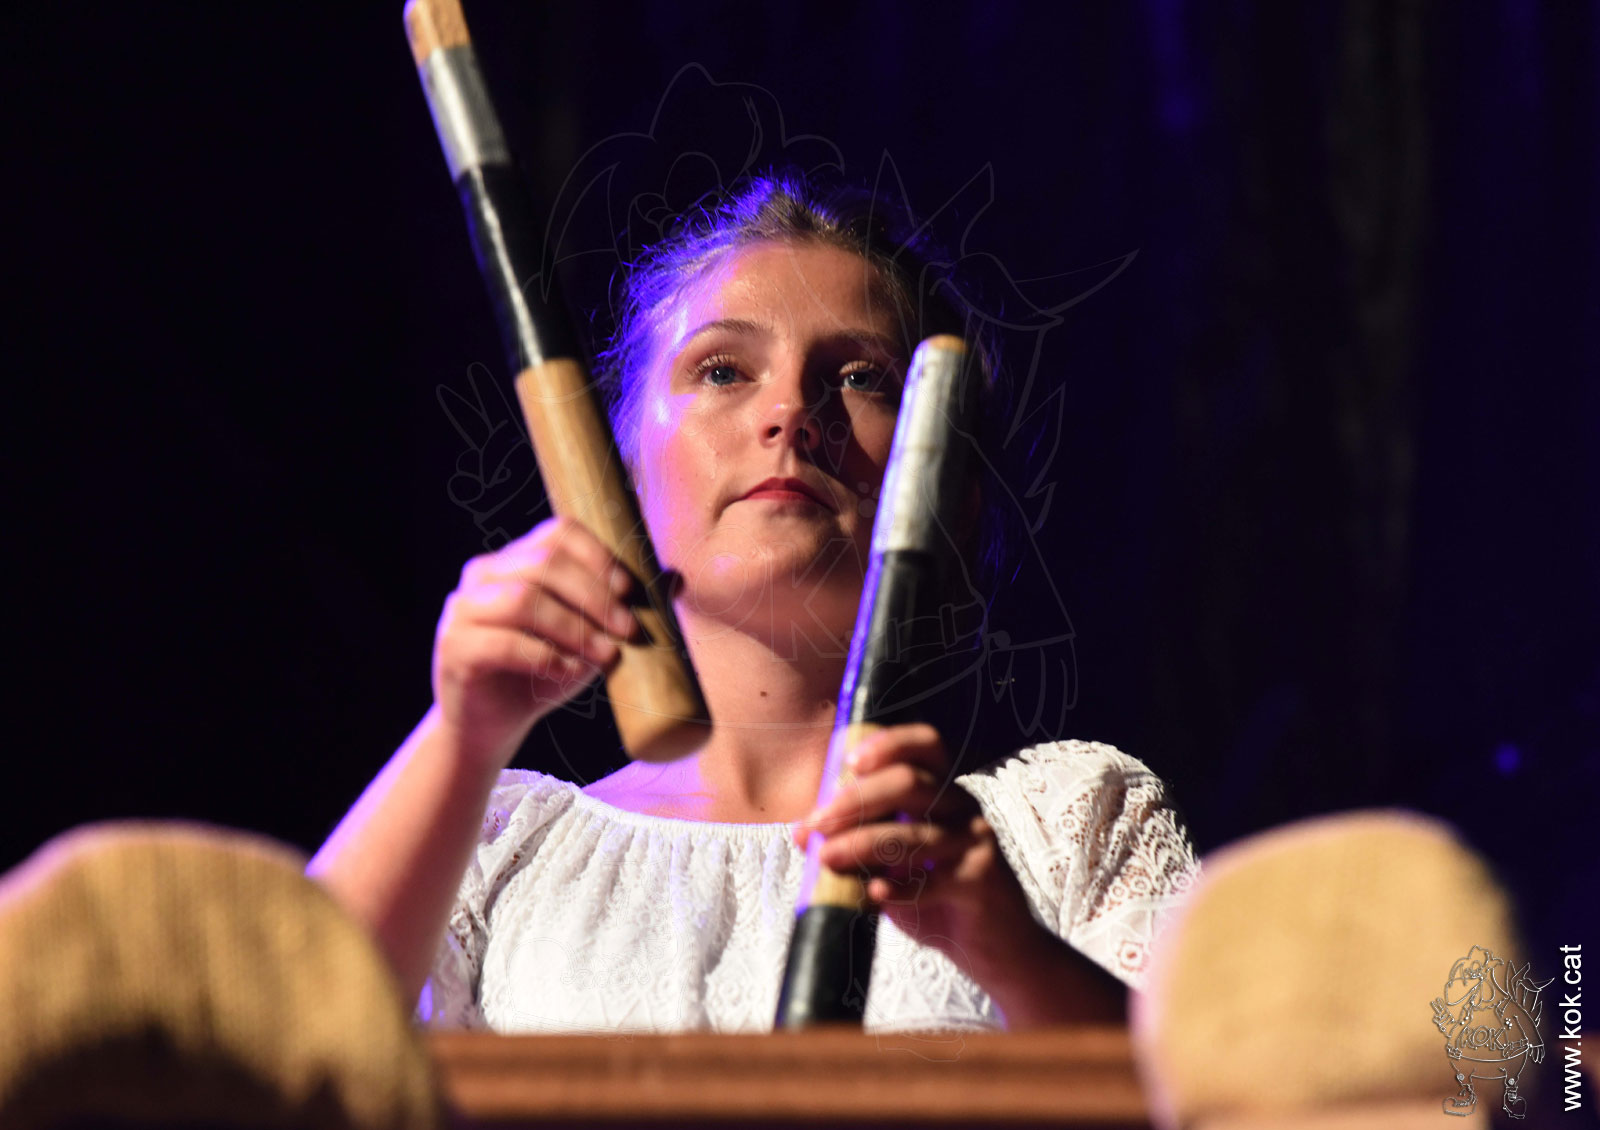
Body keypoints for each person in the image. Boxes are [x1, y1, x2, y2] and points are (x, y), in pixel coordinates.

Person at [308, 170, 1199, 1034]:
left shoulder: (1063, 826)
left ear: (951, 494)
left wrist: (1013, 953)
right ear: (618, 479)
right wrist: (463, 734)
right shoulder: (490, 848)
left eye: (862, 377)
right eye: (724, 370)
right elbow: (274, 1051)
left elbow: (1213, 1095)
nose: (792, 412)